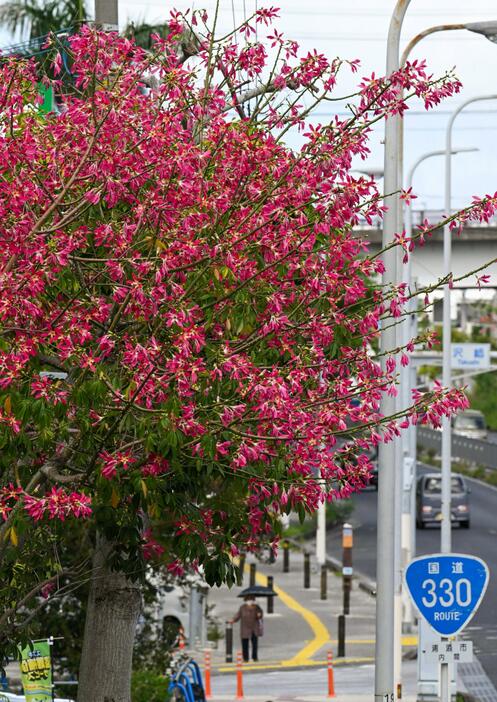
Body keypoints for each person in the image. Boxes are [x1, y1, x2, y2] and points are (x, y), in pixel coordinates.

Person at [230, 595, 264, 662]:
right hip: (245, 628)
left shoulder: (257, 607)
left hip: (254, 628)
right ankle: (245, 658)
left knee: (254, 644)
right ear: (245, 600)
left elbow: (260, 616)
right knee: (245, 644)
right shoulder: (242, 607)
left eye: (251, 599)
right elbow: (238, 615)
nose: (250, 601)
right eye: (248, 600)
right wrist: (233, 620)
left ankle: (255, 657)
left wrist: (259, 613)